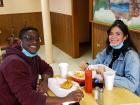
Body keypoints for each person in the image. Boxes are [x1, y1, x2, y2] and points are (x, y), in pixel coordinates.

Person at [0, 26, 83, 105]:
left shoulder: (32, 56)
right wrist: (65, 98)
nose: (34, 42)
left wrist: (45, 81)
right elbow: (28, 99)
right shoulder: (13, 62)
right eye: (29, 38)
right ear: (19, 41)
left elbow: (47, 68)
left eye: (37, 39)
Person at [80, 20, 140, 96]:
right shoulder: (110, 49)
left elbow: (132, 84)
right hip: (110, 90)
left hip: (128, 95)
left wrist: (106, 75)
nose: (113, 37)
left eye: (118, 34)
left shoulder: (132, 56)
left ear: (125, 37)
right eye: (111, 34)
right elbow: (98, 60)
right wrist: (87, 64)